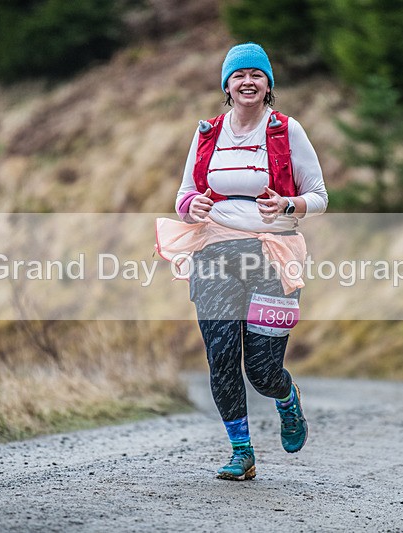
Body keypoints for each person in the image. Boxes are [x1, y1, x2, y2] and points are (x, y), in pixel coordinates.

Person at [156, 42, 328, 480]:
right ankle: (241, 451)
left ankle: (287, 399)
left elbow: (319, 197)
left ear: (268, 84)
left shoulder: (285, 130)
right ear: (227, 86)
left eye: (256, 74)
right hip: (213, 253)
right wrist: (192, 205)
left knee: (262, 370)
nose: (248, 81)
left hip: (270, 254)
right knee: (222, 358)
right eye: (238, 75)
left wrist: (288, 206)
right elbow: (183, 196)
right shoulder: (208, 132)